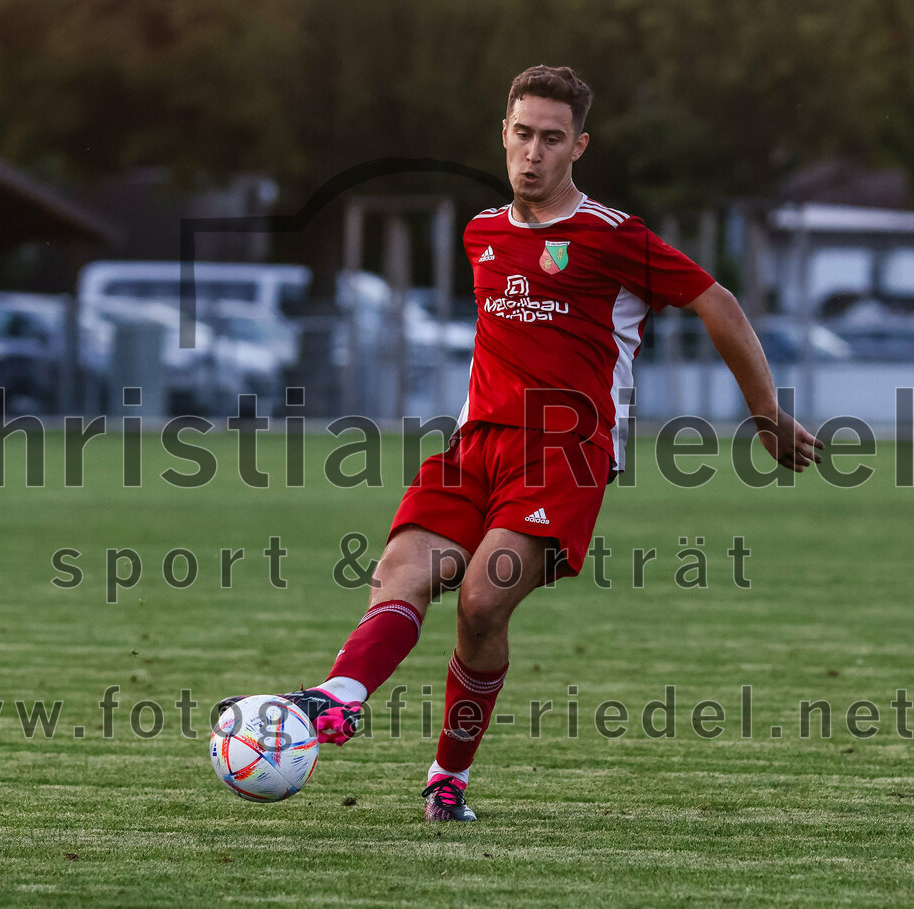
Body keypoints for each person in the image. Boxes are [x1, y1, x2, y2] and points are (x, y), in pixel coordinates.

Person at [220, 64, 824, 822]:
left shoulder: (613, 237)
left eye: (551, 138)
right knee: (401, 570)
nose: (532, 152)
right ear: (503, 134)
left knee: (480, 600)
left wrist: (764, 414)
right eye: (521, 134)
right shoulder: (482, 235)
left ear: (578, 147)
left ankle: (448, 776)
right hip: (476, 445)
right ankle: (335, 698)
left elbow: (719, 303)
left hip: (565, 454)